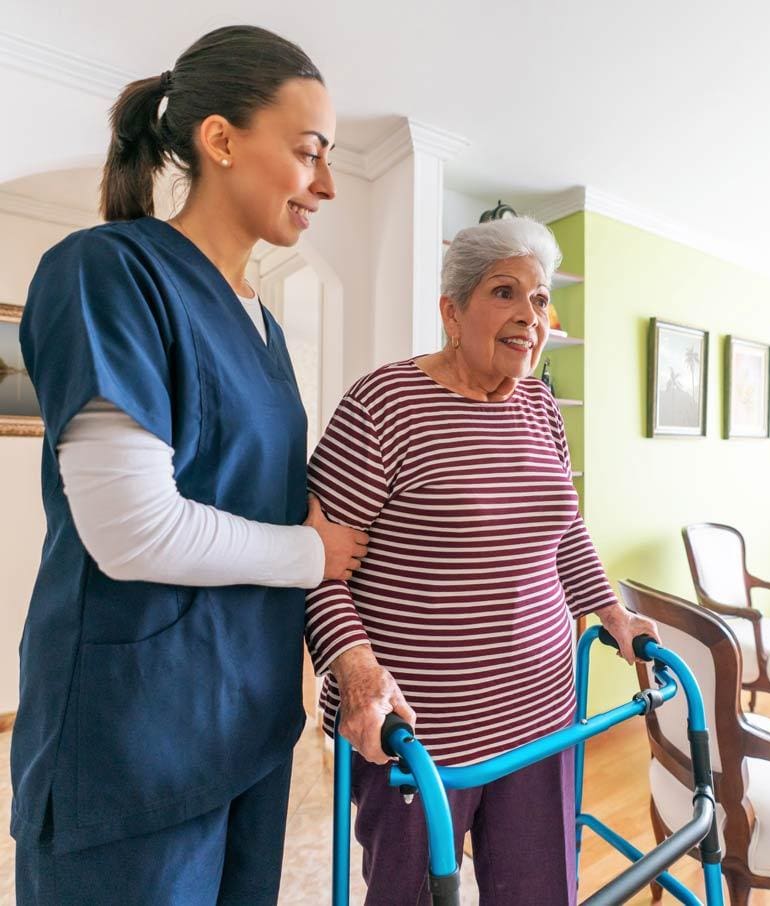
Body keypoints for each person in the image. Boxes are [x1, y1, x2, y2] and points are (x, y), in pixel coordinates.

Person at [12, 25, 368, 905]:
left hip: (249, 724)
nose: (325, 184)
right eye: (309, 153)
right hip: (135, 739)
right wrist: (311, 555)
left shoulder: (266, 325)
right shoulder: (108, 272)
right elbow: (133, 530)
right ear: (220, 141)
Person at [305, 216, 659, 905]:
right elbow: (318, 572)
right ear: (451, 310)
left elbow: (563, 531)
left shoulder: (540, 404)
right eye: (505, 292)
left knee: (537, 891)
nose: (530, 314)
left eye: (539, 298)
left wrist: (614, 612)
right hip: (418, 730)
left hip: (544, 711)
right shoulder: (382, 405)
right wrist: (354, 672)